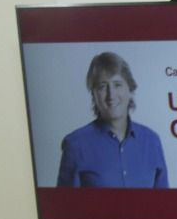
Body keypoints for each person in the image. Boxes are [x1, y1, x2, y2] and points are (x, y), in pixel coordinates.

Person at [56, 51, 169, 188]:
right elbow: (65, 207)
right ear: (94, 94)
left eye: (117, 84)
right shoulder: (75, 145)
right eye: (102, 86)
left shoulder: (152, 141)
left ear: (130, 89)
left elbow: (164, 206)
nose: (111, 95)